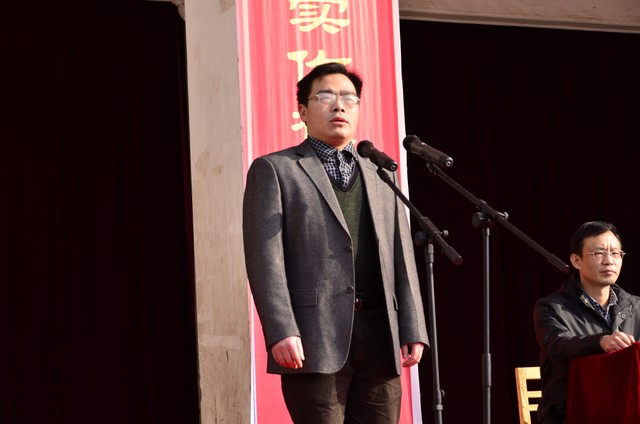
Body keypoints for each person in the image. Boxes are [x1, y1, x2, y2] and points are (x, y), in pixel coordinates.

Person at [242, 62, 429, 423]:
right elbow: (265, 260)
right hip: (313, 337)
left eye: (349, 98)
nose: (339, 106)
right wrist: (281, 330)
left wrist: (412, 325)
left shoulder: (380, 171)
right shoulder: (276, 170)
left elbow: (401, 254)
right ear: (302, 111)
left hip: (380, 333)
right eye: (326, 96)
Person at [533, 220, 640, 423]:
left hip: (628, 411)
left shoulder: (637, 306)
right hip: (568, 415)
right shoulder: (551, 307)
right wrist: (601, 341)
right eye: (599, 253)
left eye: (616, 253)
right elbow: (558, 346)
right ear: (576, 260)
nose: (609, 261)